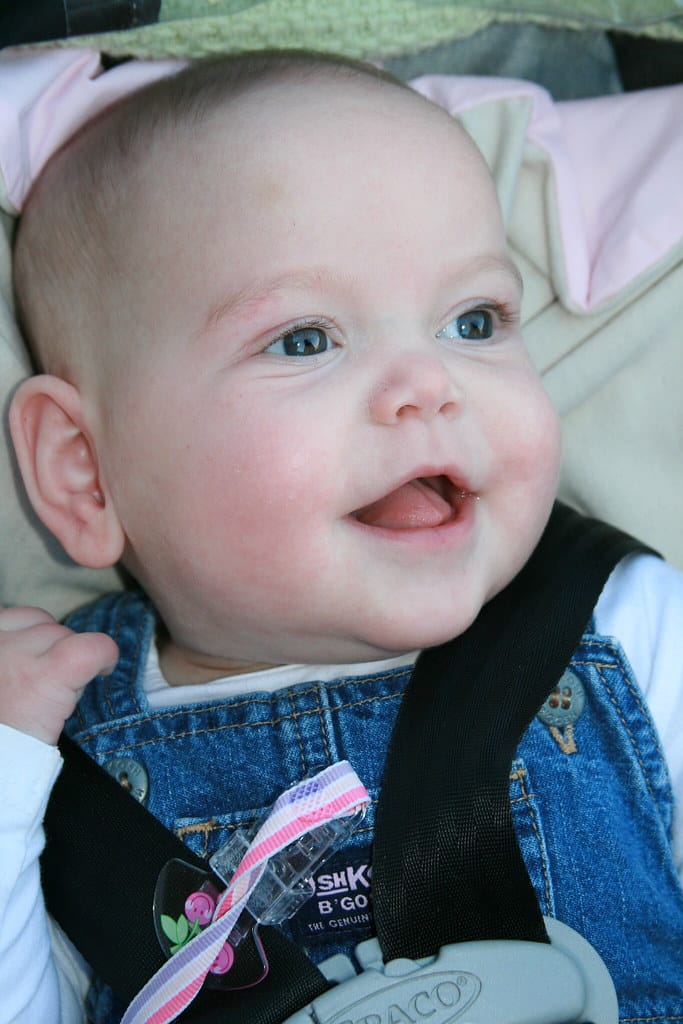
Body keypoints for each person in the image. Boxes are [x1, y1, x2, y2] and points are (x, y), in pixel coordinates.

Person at [0, 51, 681, 1024]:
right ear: (85, 469)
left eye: (474, 320)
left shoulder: (619, 622)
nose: (428, 384)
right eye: (304, 339)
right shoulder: (57, 766)